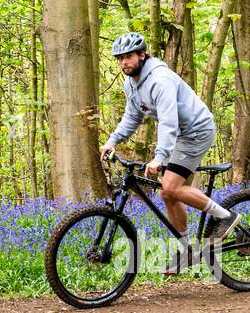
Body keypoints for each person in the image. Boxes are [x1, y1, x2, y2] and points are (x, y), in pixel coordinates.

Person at [99, 32, 239, 272]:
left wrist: (159, 157)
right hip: (180, 135)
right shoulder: (130, 84)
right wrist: (113, 140)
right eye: (120, 58)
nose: (124, 62)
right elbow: (132, 117)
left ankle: (224, 216)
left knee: (171, 186)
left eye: (129, 56)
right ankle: (187, 250)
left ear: (142, 55)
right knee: (167, 193)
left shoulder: (160, 80)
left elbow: (168, 122)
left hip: (196, 131)